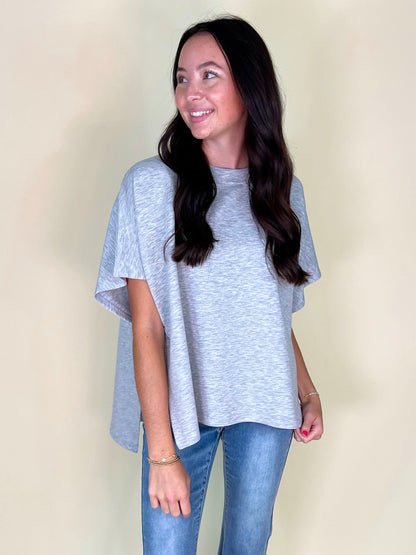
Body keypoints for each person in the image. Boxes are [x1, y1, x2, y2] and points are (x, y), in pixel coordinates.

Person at [95, 14, 323, 555]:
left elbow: (272, 314)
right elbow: (147, 329)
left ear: (249, 84)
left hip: (265, 407)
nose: (189, 93)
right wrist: (161, 454)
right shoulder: (150, 187)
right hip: (178, 410)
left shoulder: (283, 193)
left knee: (248, 546)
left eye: (208, 75)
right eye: (181, 78)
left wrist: (307, 392)